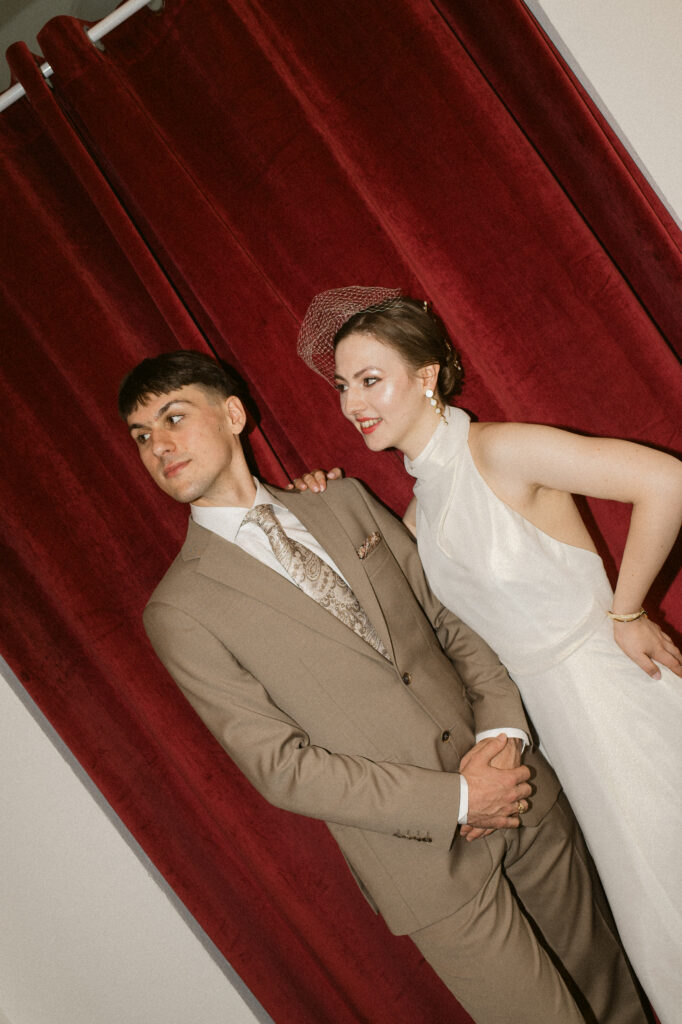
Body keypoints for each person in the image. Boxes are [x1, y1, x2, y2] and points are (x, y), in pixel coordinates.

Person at [118, 350, 650, 1024]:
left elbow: (452, 620)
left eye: (173, 418)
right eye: (142, 436)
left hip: (523, 794)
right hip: (424, 864)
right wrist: (461, 797)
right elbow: (282, 769)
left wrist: (503, 735)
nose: (159, 446)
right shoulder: (179, 610)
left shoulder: (341, 501)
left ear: (232, 414)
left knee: (617, 1003)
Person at [295, 285, 682, 1024]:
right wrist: (324, 507)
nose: (352, 404)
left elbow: (668, 480)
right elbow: (385, 618)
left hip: (618, 700)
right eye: (343, 387)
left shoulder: (500, 449)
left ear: (427, 375)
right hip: (560, 739)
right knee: (654, 920)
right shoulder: (418, 512)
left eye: (370, 379)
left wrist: (628, 609)